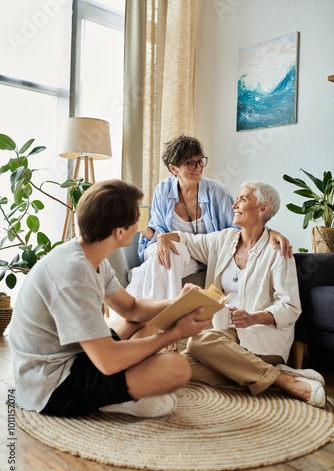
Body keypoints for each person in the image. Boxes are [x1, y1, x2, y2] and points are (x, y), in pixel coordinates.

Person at [8, 180, 213, 419]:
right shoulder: (73, 273)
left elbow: (132, 308)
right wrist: (174, 335)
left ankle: (120, 389)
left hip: (76, 356)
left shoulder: (90, 255)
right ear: (119, 232)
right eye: (136, 219)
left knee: (146, 321)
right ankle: (114, 397)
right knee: (178, 369)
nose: (140, 225)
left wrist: (178, 304)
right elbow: (107, 360)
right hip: (51, 385)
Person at [157, 181, 326, 407]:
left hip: (260, 336)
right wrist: (164, 237)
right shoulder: (224, 240)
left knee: (197, 344)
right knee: (176, 366)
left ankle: (289, 383)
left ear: (263, 209)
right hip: (223, 336)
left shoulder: (278, 250)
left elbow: (290, 307)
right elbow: (187, 239)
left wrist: (254, 318)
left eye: (243, 199)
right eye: (237, 199)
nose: (235, 204)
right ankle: (280, 377)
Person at [127, 135, 291, 301]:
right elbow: (158, 234)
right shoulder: (163, 189)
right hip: (169, 251)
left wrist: (270, 233)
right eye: (191, 162)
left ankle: (138, 314)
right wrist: (142, 227)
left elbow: (243, 226)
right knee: (164, 255)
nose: (198, 167)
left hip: (198, 256)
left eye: (200, 161)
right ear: (174, 169)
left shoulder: (216, 192)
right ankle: (166, 316)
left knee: (164, 259)